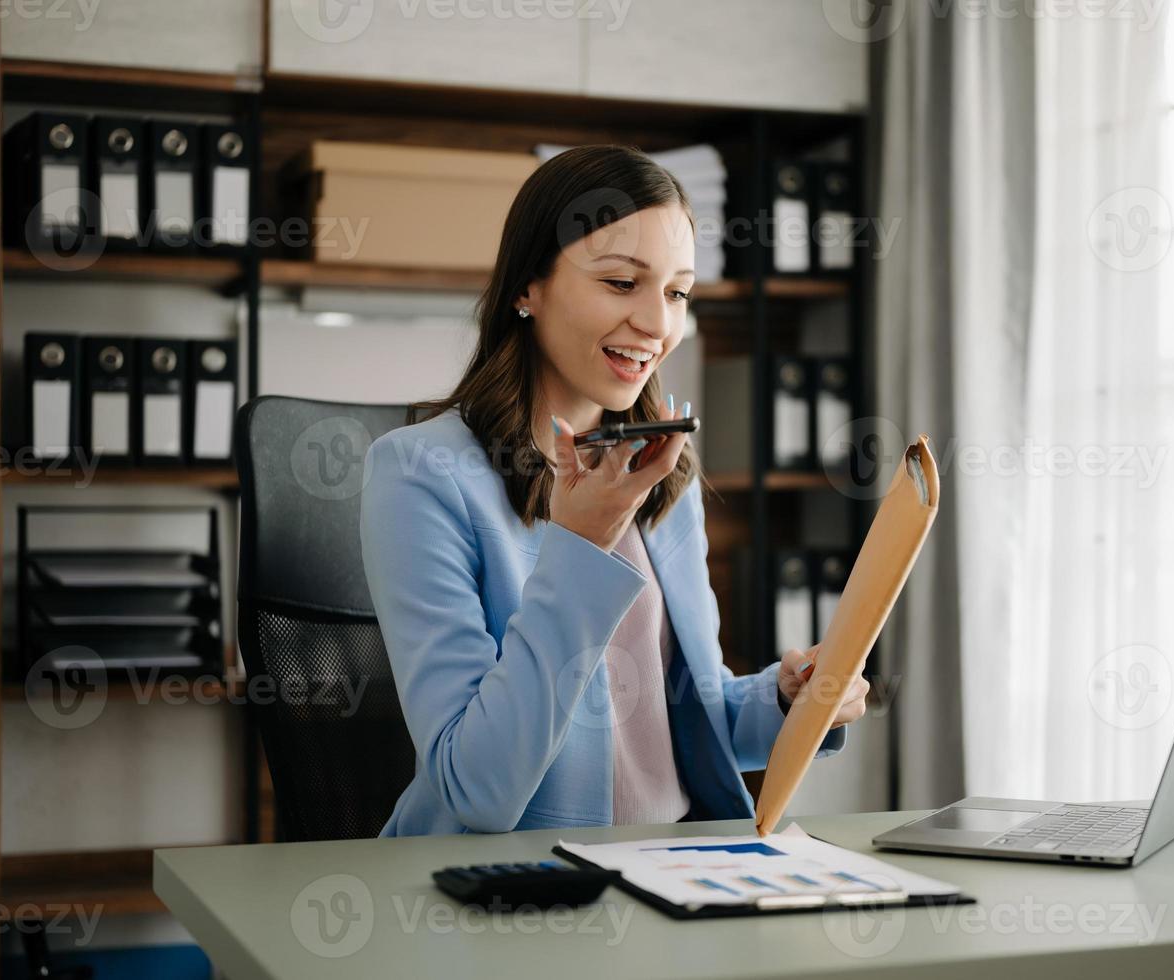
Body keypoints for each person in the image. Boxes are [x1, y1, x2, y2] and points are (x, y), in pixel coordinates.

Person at [360, 144, 868, 836]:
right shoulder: (419, 475)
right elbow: (475, 788)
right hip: (515, 891)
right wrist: (577, 546)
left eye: (676, 292)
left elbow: (685, 720)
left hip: (670, 870)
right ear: (526, 287)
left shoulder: (662, 469)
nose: (659, 326)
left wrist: (785, 702)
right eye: (623, 283)